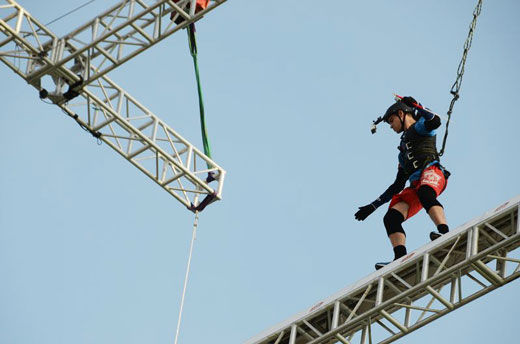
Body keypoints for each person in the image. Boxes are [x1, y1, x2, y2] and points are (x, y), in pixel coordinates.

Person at [355, 96, 450, 270]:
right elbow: (397, 185)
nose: (391, 126)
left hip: (432, 173)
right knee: (391, 218)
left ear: (401, 113)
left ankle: (444, 231)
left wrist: (416, 105)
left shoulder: (419, 127)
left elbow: (435, 121)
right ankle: (399, 259)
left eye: (391, 121)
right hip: (416, 185)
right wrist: (373, 206)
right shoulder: (402, 154)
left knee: (425, 192)